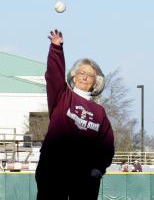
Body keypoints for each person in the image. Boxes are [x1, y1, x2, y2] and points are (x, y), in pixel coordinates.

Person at [35, 29, 115, 200]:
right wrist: (56, 49)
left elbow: (107, 145)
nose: (85, 77)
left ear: (96, 82)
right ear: (74, 76)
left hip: (84, 175)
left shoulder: (100, 113)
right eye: (81, 73)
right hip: (54, 168)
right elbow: (54, 75)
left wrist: (98, 168)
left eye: (90, 75)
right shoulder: (62, 95)